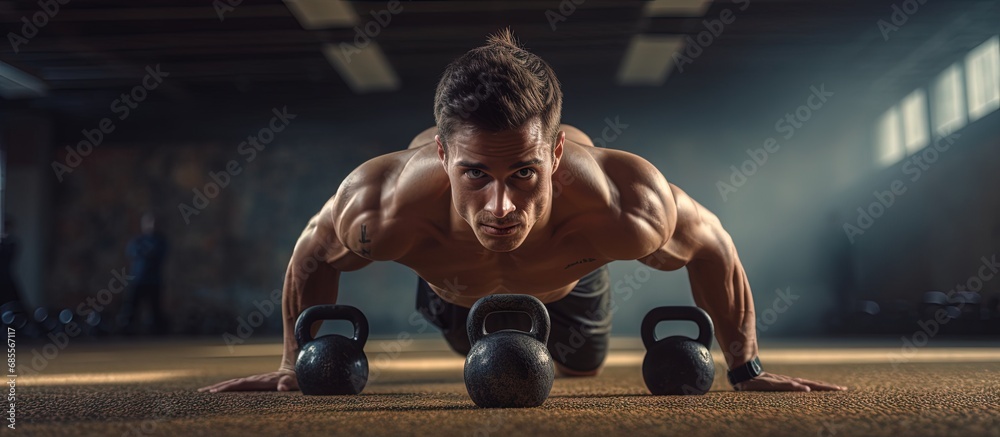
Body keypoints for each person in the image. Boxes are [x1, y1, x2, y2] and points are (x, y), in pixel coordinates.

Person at [201, 30, 845, 393]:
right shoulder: (383, 204)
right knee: (477, 345)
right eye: (475, 175)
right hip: (450, 288)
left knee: (581, 366)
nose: (502, 207)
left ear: (557, 150)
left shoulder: (623, 203)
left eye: (525, 174)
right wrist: (292, 365)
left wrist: (747, 369)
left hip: (571, 271)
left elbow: (713, 247)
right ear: (445, 151)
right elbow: (312, 255)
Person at [119, 211, 169, 335]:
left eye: (153, 222)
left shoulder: (161, 240)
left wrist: (147, 253)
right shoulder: (137, 241)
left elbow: (159, 254)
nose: (151, 225)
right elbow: (132, 253)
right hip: (138, 280)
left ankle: (158, 333)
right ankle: (127, 332)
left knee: (155, 309)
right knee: (131, 308)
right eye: (148, 222)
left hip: (154, 281)